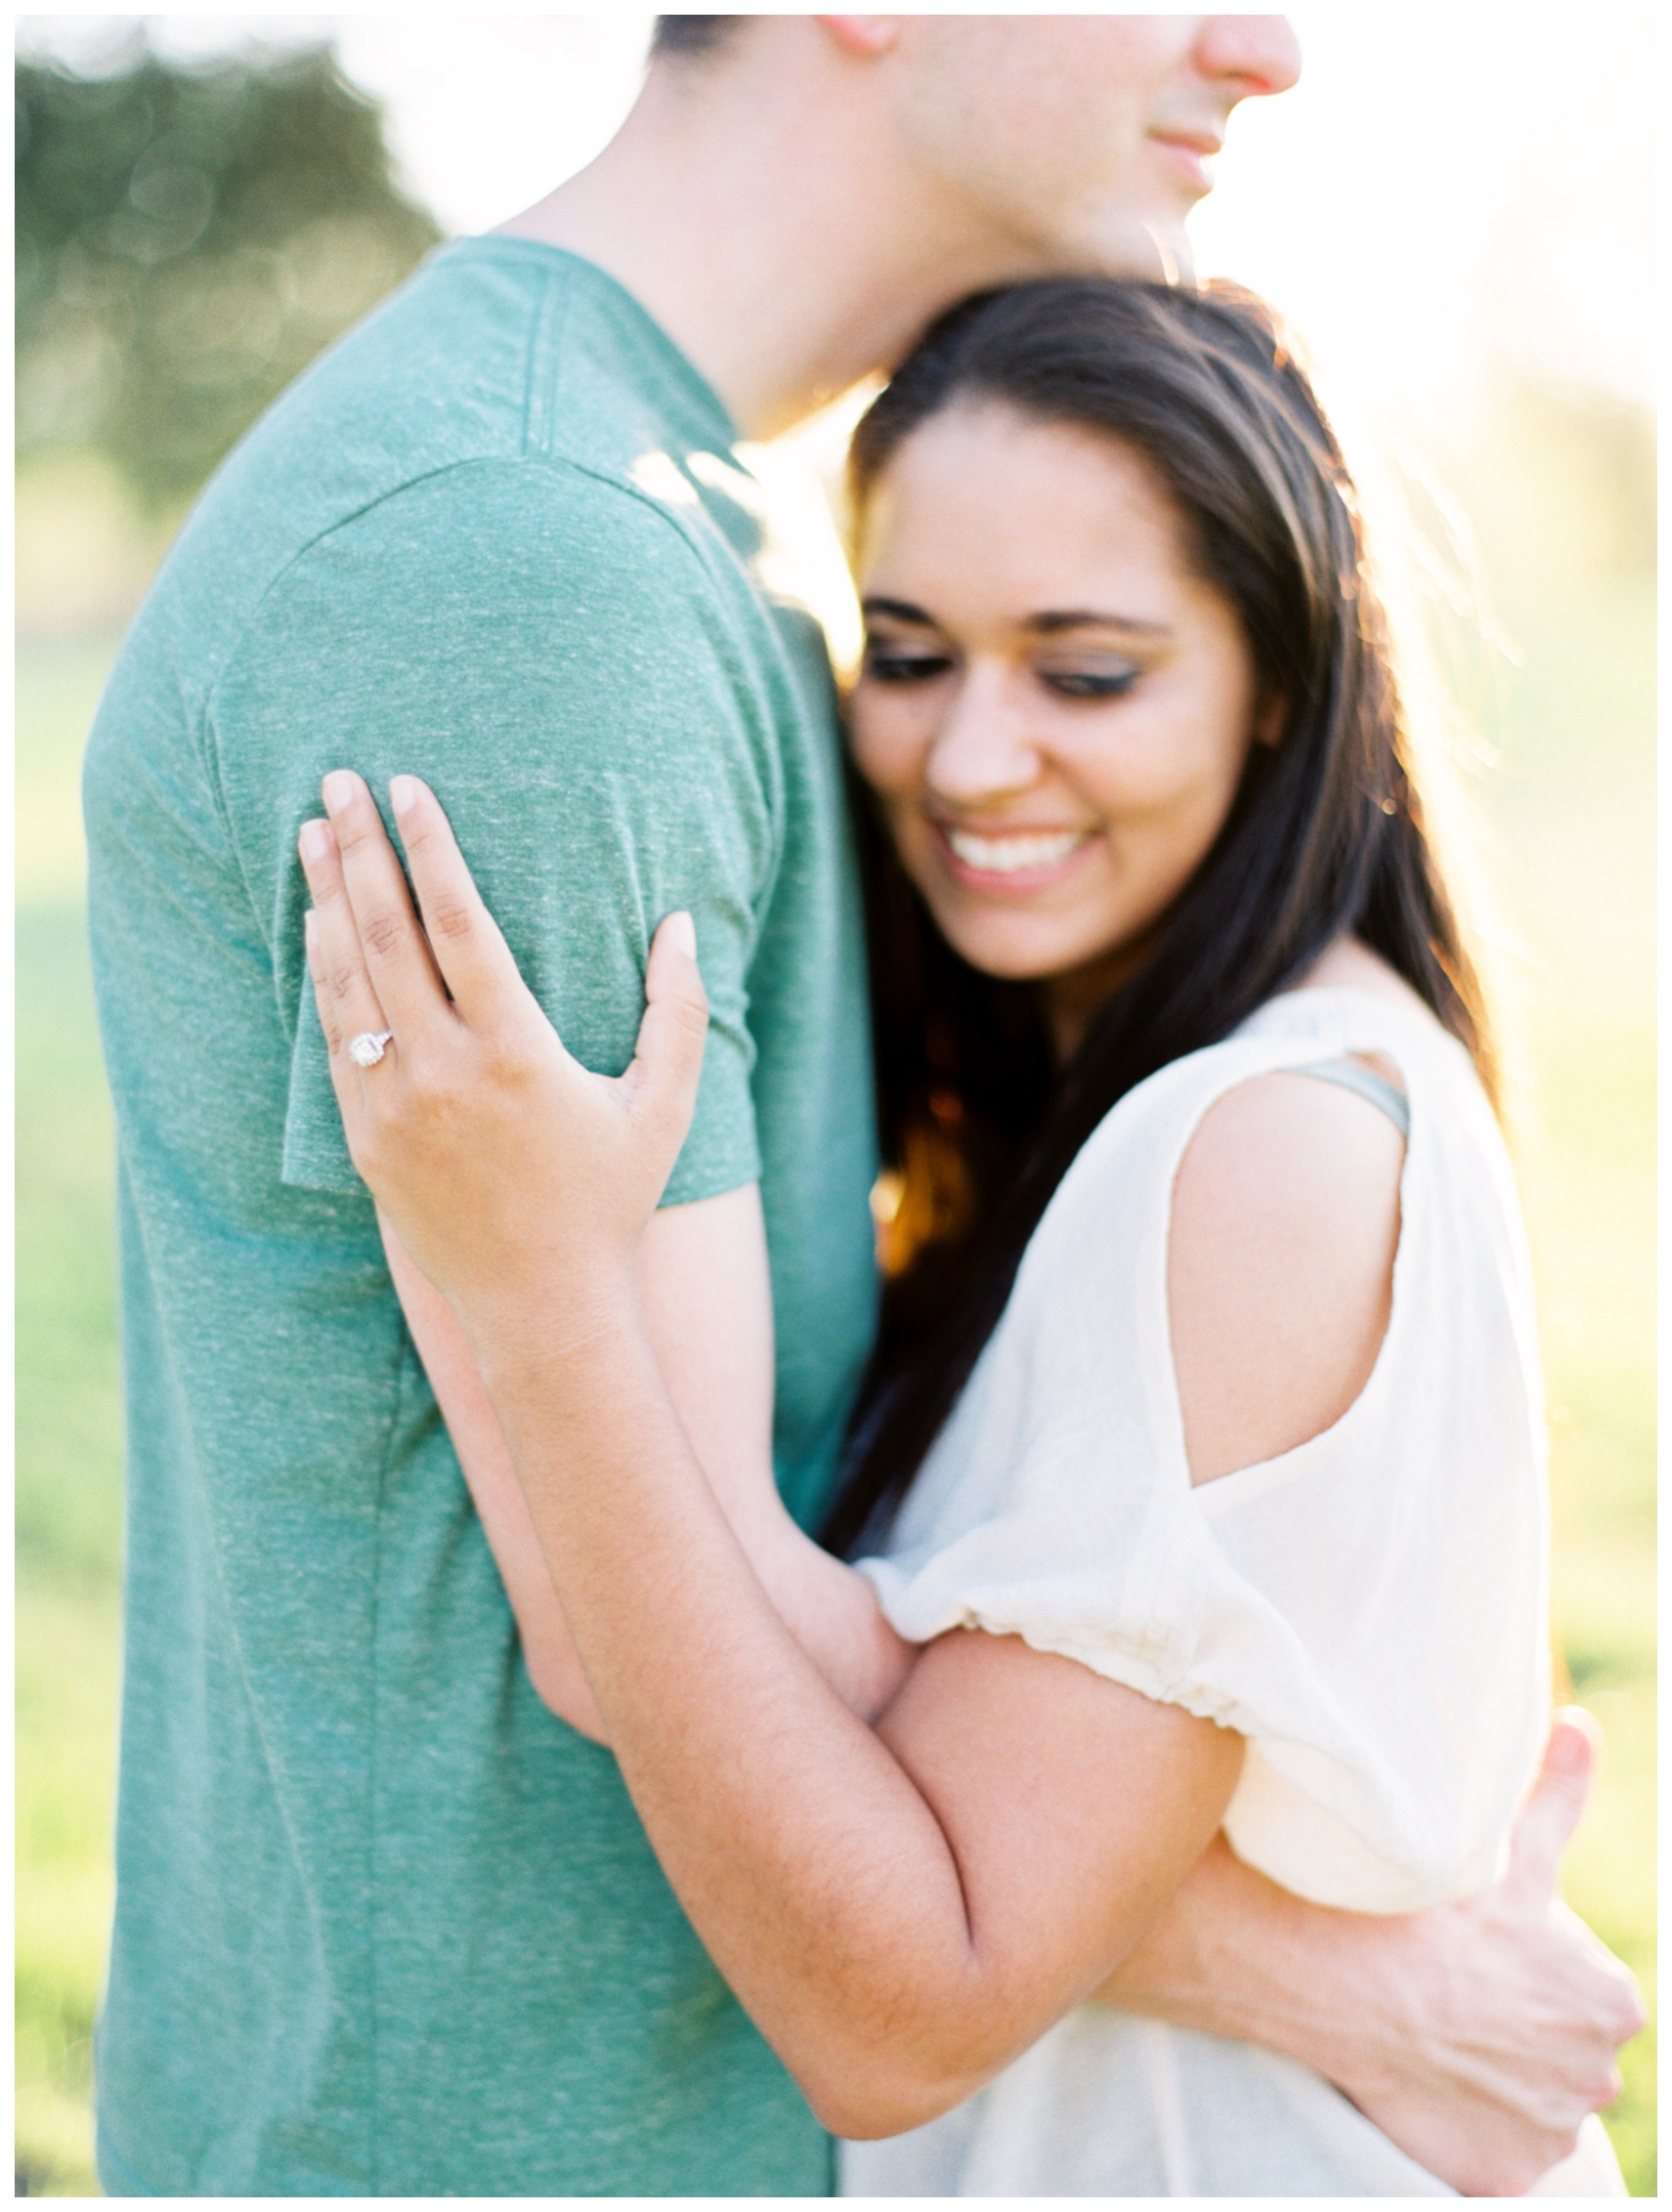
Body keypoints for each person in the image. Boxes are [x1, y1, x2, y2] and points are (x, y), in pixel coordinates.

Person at [82, 12, 1638, 2195]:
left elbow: (808, 1672)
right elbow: (659, 1631)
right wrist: (1329, 1972)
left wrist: (1314, 1973)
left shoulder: (657, 535)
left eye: (1082, 666)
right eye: (919, 653)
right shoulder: (534, 570)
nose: (1267, 44)